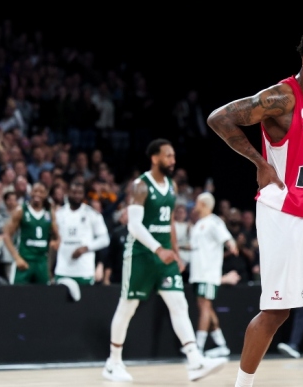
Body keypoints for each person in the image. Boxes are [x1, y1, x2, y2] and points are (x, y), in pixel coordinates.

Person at [207, 26, 303, 387]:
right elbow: (219, 118)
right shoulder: (280, 98)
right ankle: (242, 384)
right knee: (276, 311)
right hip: (283, 213)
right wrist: (259, 162)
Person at [102, 139, 226, 382]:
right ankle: (113, 363)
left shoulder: (171, 185)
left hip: (165, 256)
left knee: (179, 304)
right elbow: (134, 226)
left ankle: (195, 361)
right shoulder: (141, 185)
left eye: (173, 156)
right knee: (127, 307)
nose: (173, 160)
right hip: (140, 255)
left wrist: (175, 251)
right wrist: (158, 249)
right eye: (168, 156)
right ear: (155, 158)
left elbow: (169, 222)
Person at [189, 192, 237, 359]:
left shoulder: (214, 222)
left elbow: (226, 238)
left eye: (197, 203)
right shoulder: (198, 224)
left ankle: (198, 347)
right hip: (197, 273)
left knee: (205, 306)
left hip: (208, 273)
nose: (194, 206)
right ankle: (222, 345)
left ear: (203, 204)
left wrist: (231, 244)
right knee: (205, 307)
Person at [54, 180, 110, 286]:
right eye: (74, 192)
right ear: (68, 193)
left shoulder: (92, 214)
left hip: (84, 270)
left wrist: (86, 248)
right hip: (62, 269)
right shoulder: (59, 214)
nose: (77, 196)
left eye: (80, 193)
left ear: (84, 195)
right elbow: (54, 238)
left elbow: (105, 239)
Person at [3, 182, 60, 285]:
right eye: (35, 191)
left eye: (41, 192)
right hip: (25, 259)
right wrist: (17, 258)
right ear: (30, 192)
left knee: (44, 293)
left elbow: (57, 236)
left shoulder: (49, 212)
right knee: (18, 292)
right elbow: (6, 235)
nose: (37, 194)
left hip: (42, 261)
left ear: (46, 194)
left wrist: (56, 242)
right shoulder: (21, 210)